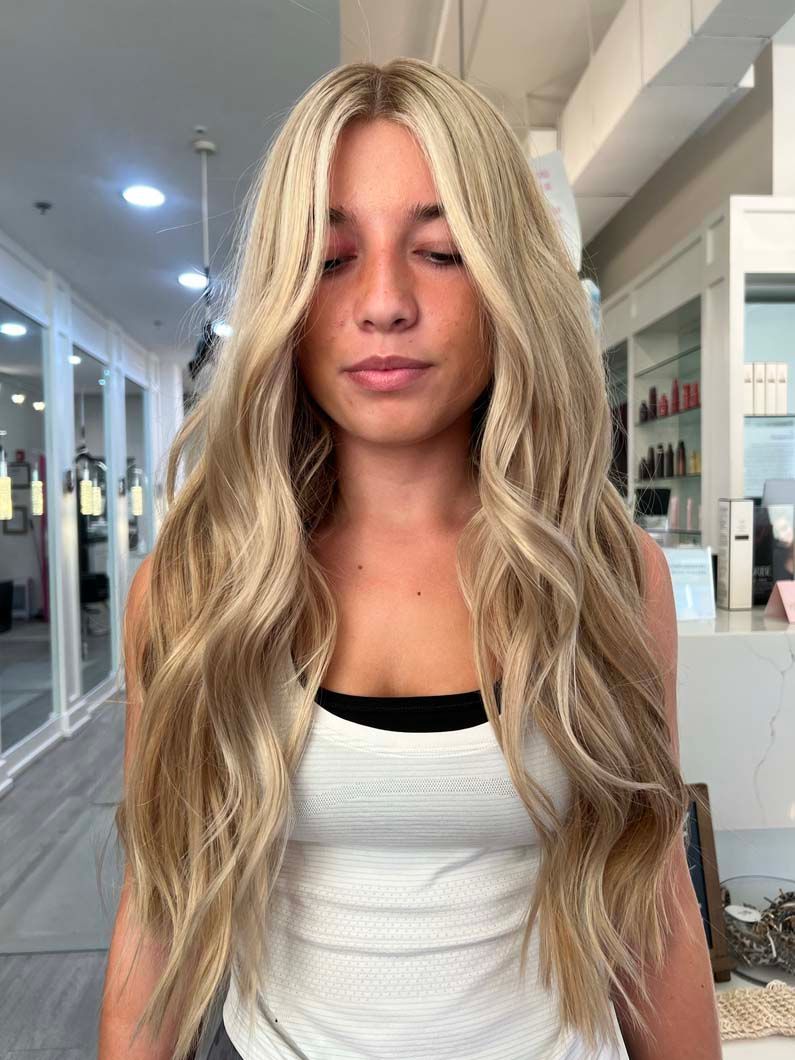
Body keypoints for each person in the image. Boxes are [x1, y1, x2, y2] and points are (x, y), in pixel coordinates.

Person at [97, 57, 721, 1060]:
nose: (384, 302)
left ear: (506, 278)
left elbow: (649, 904)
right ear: (287, 299)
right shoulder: (194, 586)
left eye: (438, 252)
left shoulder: (607, 572)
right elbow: (156, 912)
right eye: (334, 257)